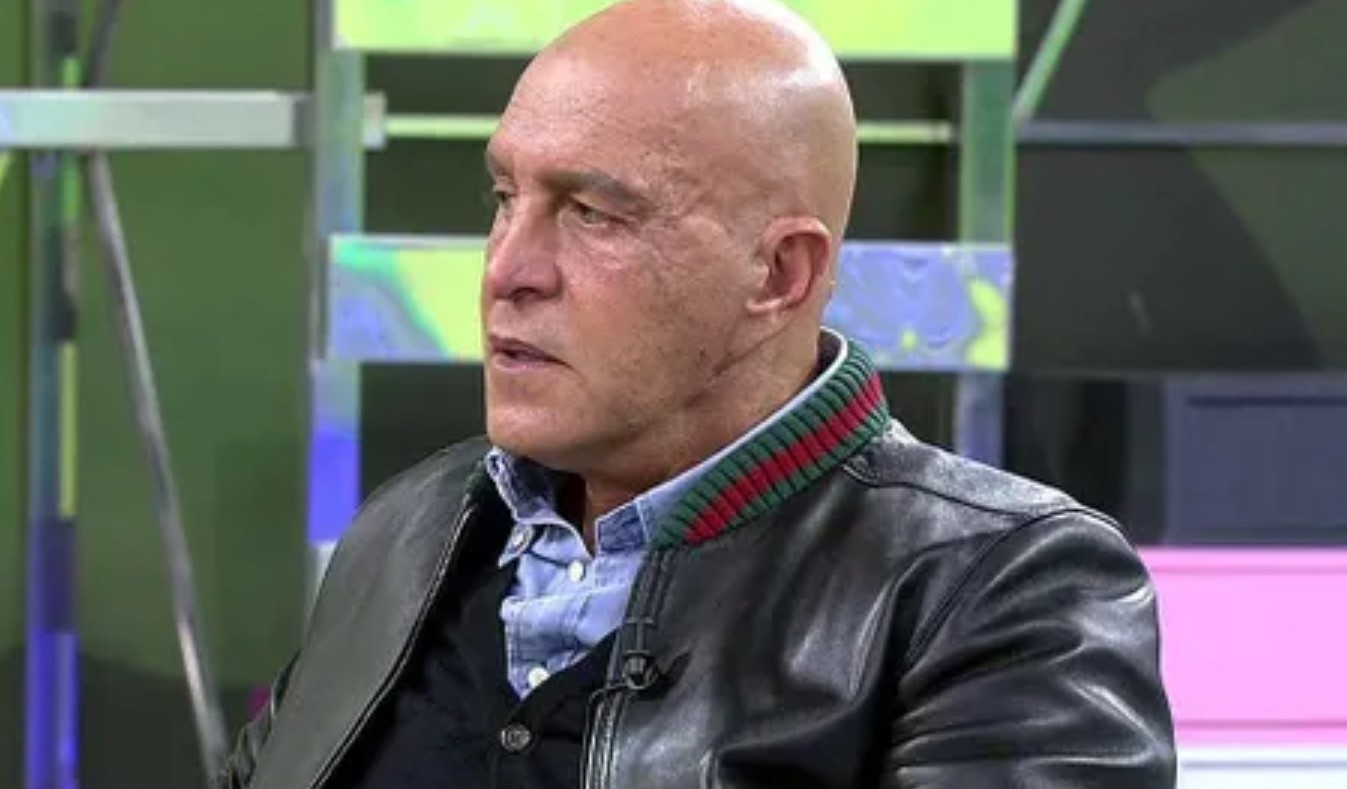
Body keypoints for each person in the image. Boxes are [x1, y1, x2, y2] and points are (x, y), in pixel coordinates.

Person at [218, 1, 1176, 787]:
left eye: (593, 213)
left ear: (778, 275)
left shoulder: (1002, 590)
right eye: (505, 199)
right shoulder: (411, 530)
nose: (507, 269)